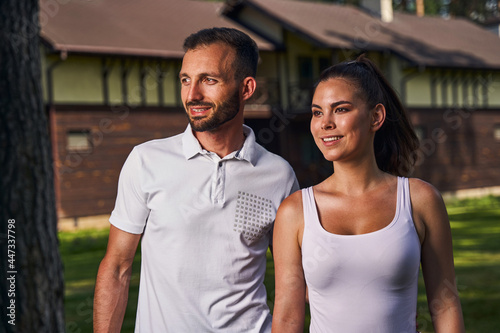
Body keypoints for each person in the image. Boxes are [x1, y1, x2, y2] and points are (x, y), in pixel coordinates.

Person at [93, 27, 298, 332]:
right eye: (185, 80)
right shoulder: (146, 160)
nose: (192, 95)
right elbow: (118, 268)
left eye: (209, 80)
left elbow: (294, 281)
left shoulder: (278, 174)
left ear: (246, 88)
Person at [271, 55, 465, 333]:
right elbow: (288, 318)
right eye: (317, 112)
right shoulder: (295, 211)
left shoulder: (419, 200)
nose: (325, 123)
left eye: (340, 110)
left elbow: (444, 303)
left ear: (376, 116)